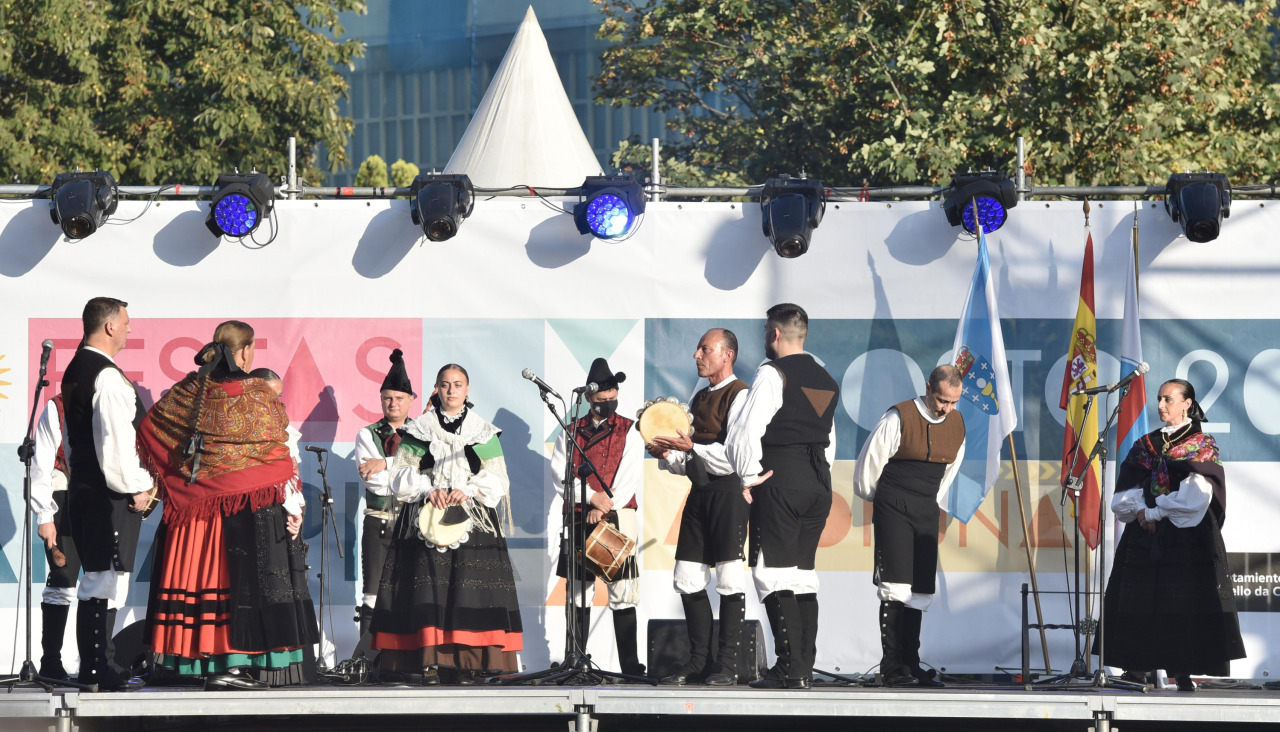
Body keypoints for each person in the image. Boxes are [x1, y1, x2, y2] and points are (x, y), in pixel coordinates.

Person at [137, 321, 315, 690]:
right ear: (246, 351)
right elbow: (277, 452)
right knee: (240, 585)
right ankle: (233, 666)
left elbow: (151, 429)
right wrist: (292, 504)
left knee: (202, 583)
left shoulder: (187, 390)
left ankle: (197, 663)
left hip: (198, 512)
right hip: (248, 509)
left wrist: (186, 478)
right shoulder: (258, 393)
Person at [372, 363, 522, 684]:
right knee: (429, 589)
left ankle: (470, 663)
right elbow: (400, 476)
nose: (451, 390)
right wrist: (429, 489)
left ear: (467, 390)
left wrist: (469, 489)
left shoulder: (483, 431)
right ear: (436, 389)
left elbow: (498, 480)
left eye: (457, 384)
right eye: (445, 384)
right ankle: (428, 662)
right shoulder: (419, 429)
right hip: (425, 522)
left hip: (473, 522)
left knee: (468, 593)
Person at [1097, 378, 1245, 691]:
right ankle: (1137, 667)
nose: (1161, 405)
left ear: (1187, 404)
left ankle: (1182, 669)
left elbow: (1197, 495)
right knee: (1141, 599)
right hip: (1144, 535)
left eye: (1168, 399)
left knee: (1181, 601)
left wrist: (1156, 512)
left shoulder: (1200, 443)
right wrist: (1141, 510)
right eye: (1160, 399)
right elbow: (1125, 491)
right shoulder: (1146, 444)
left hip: (1184, 534)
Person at [726, 303, 838, 690]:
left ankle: (790, 668)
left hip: (781, 480)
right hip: (818, 485)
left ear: (774, 334)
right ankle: (802, 669)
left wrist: (748, 475)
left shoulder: (773, 373)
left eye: (765, 332)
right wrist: (819, 480)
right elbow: (829, 441)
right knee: (802, 577)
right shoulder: (826, 378)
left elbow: (747, 430)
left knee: (772, 574)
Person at [60, 297, 152, 691]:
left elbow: (74, 440)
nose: (130, 329)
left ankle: (102, 666)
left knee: (104, 578)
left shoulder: (75, 369)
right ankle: (96, 670)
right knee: (104, 580)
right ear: (110, 326)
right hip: (107, 496)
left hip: (85, 488)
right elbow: (114, 445)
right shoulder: (107, 376)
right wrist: (138, 486)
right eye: (126, 323)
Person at [853, 365, 965, 688]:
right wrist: (888, 502)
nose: (946, 408)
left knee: (919, 590)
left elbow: (949, 473)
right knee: (895, 586)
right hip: (894, 506)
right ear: (928, 388)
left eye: (953, 402)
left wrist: (928, 502)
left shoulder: (957, 424)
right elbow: (867, 469)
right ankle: (892, 666)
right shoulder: (898, 417)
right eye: (942, 400)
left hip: (926, 508)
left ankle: (910, 663)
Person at [649, 329, 750, 686]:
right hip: (700, 493)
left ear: (727, 355)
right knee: (687, 577)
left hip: (729, 494)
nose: (697, 355)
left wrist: (692, 448)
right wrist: (667, 453)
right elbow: (690, 462)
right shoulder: (699, 397)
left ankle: (727, 664)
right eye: (697, 349)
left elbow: (733, 457)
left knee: (729, 578)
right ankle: (699, 662)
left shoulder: (740, 395)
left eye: (705, 349)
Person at [552, 357, 646, 677]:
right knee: (578, 591)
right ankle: (576, 662)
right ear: (589, 397)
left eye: (613, 398)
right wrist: (591, 498)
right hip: (580, 516)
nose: (608, 403)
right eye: (602, 398)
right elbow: (560, 476)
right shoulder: (570, 431)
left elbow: (629, 477)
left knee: (623, 592)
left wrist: (603, 505)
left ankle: (631, 667)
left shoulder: (630, 430)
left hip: (619, 515)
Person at [352, 349, 416, 648]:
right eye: (388, 398)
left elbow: (425, 476)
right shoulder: (367, 434)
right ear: (381, 400)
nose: (393, 403)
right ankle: (368, 658)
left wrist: (386, 463)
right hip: (378, 523)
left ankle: (407, 657)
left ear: (410, 400)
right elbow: (376, 484)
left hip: (413, 524)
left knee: (413, 590)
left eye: (399, 398)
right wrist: (406, 470)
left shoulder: (422, 434)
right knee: (373, 592)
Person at [30, 393, 81, 681]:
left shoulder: (110, 398)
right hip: (63, 495)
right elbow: (42, 464)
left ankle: (98, 663)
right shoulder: (58, 406)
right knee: (62, 581)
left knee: (104, 581)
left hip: (99, 500)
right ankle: (50, 663)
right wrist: (45, 516)